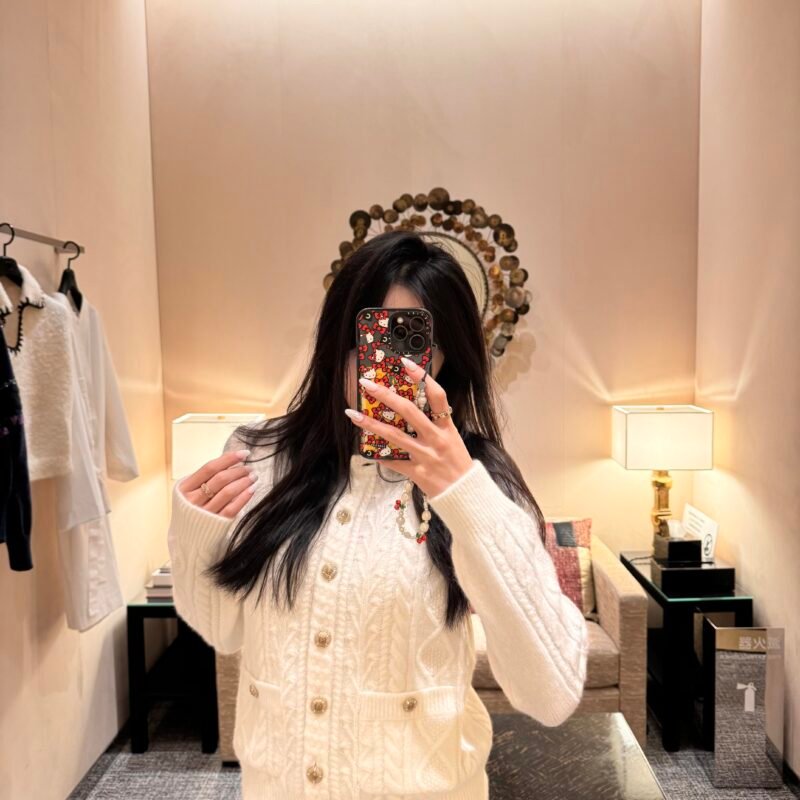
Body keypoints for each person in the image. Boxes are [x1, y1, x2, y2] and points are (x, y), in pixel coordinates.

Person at [167, 229, 589, 799]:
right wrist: (196, 532)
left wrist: (463, 493)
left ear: (444, 358)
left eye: (409, 344)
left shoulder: (478, 480)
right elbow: (220, 627)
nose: (384, 366)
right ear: (336, 340)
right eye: (369, 338)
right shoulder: (262, 456)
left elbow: (551, 693)